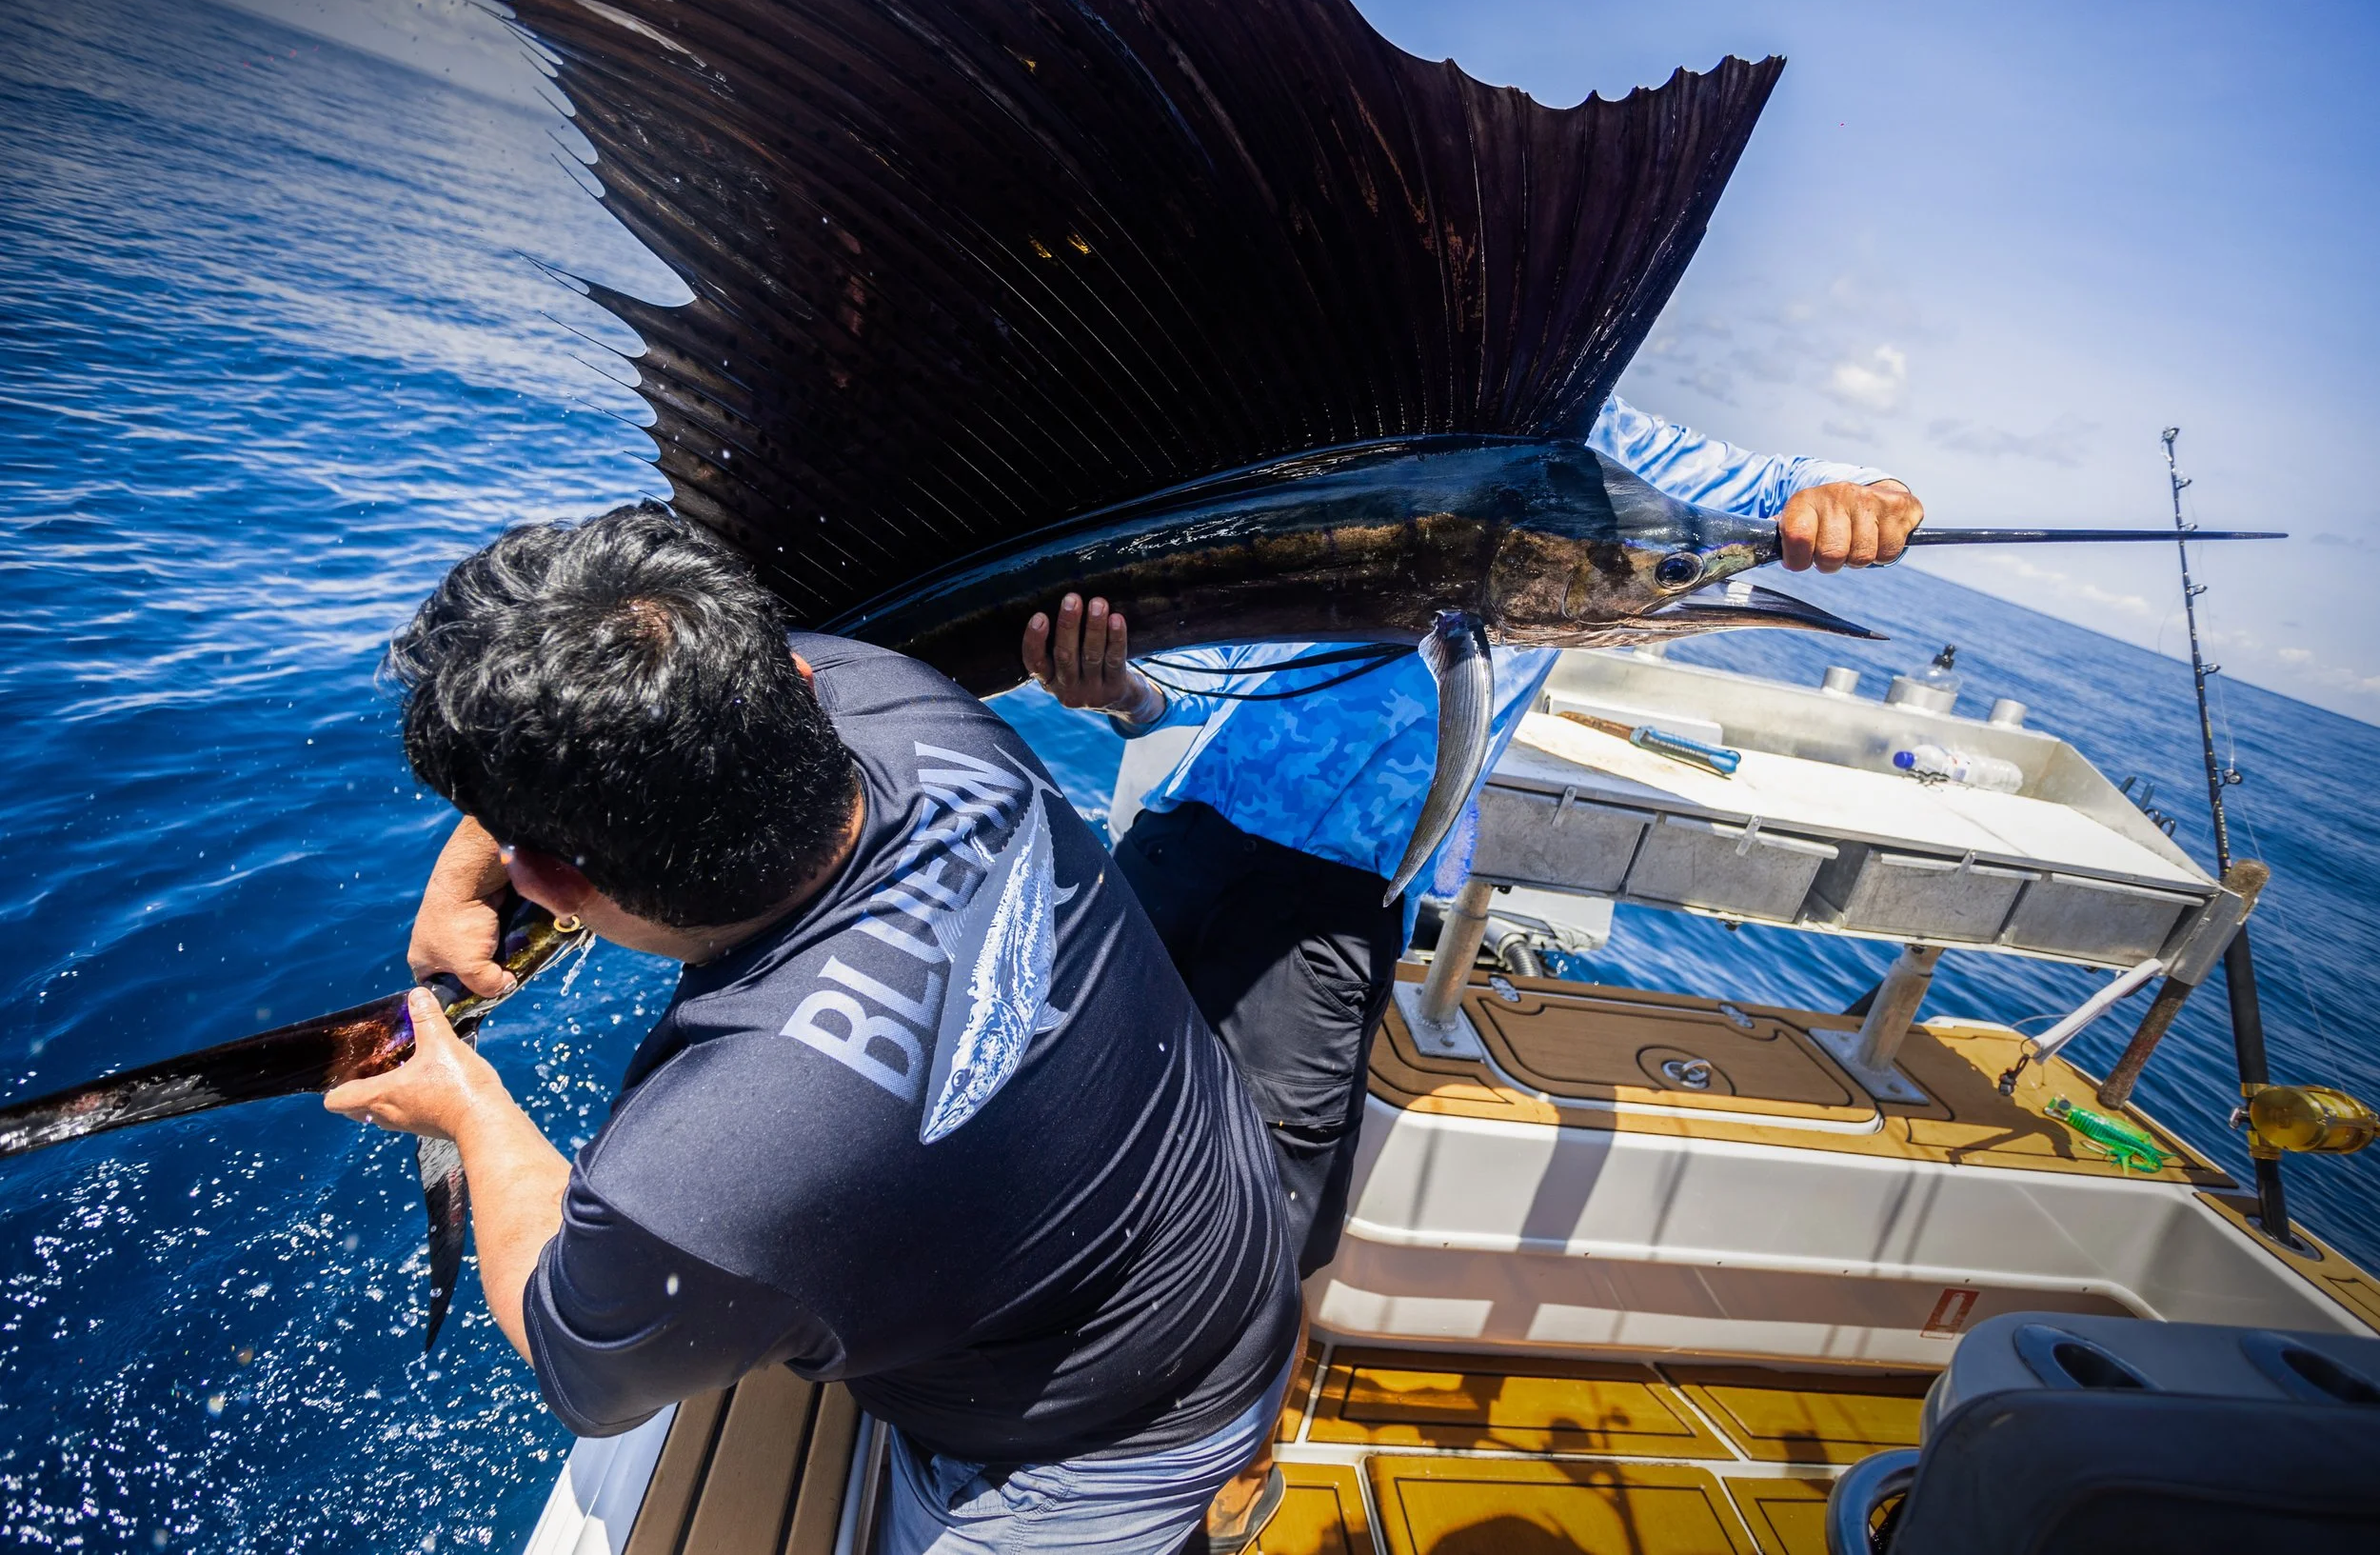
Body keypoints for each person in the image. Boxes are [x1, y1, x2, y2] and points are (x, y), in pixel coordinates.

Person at [1020, 395, 1923, 1548]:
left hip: (1334, 890)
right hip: (1183, 827)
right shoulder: (1325, 417)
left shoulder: (1581, 445)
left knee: (1276, 1201)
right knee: (1080, 1107)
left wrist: (1865, 497)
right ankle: (1050, 1358)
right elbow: (1193, 689)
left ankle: (1230, 1453)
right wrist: (1119, 692)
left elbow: (1781, 486)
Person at [338, 504, 1299, 1555]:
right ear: (794, 686)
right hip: (1234, 1250)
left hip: (1099, 1451)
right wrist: (476, 857)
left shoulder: (705, 1173)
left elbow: (579, 1365)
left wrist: (464, 1105)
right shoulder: (904, 695)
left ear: (557, 882)